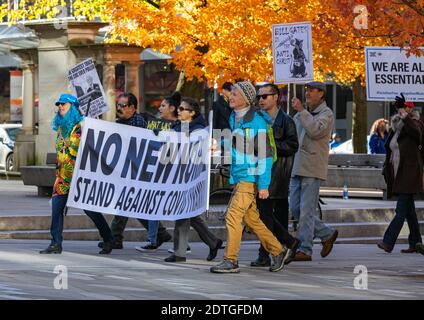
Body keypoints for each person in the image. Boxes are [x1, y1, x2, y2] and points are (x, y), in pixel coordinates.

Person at [210, 81, 291, 274]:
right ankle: (278, 250)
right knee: (251, 219)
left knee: (232, 216)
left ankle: (231, 260)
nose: (231, 96)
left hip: (249, 176)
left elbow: (266, 154)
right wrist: (219, 144)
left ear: (245, 99)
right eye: (231, 94)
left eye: (235, 94)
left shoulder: (256, 122)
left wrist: (264, 185)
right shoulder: (235, 117)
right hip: (240, 175)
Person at [39, 94, 114, 254]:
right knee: (56, 209)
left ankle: (108, 238)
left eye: (64, 104)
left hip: (81, 177)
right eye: (59, 104)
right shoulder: (60, 129)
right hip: (62, 178)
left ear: (72, 106)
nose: (60, 107)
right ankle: (55, 243)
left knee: (91, 211)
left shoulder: (83, 126)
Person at [98, 93, 173, 250]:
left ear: (132, 107)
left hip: (137, 170)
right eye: (118, 105)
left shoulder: (137, 123)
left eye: (123, 105)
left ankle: (116, 237)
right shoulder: (123, 122)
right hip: (129, 169)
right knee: (129, 203)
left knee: (130, 203)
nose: (120, 108)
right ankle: (157, 233)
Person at [164, 97, 224, 263]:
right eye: (179, 108)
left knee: (183, 213)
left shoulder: (199, 130)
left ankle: (179, 253)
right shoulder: (178, 125)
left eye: (183, 109)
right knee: (190, 214)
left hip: (191, 177)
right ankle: (213, 242)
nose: (179, 111)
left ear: (192, 113)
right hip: (178, 175)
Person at [250, 83, 300, 267]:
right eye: (259, 97)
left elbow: (293, 146)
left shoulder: (286, 121)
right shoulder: (257, 119)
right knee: (263, 214)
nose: (260, 100)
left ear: (276, 97)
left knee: (264, 215)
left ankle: (269, 252)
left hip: (277, 174)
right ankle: (286, 243)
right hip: (259, 172)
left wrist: (270, 146)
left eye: (264, 96)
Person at [290, 82, 339, 261]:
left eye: (312, 90)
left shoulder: (327, 114)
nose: (308, 93)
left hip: (312, 168)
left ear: (321, 94)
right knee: (295, 208)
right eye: (307, 90)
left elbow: (315, 131)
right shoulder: (303, 113)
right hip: (297, 166)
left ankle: (305, 249)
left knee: (306, 210)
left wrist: (302, 111)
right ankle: (326, 234)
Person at [378, 95, 424, 254]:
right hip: (397, 173)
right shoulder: (396, 127)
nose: (407, 109)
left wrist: (404, 115)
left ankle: (388, 241)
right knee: (409, 211)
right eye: (405, 107)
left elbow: (416, 133)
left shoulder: (416, 124)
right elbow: (389, 148)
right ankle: (416, 242)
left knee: (401, 210)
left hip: (409, 173)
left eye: (410, 107)